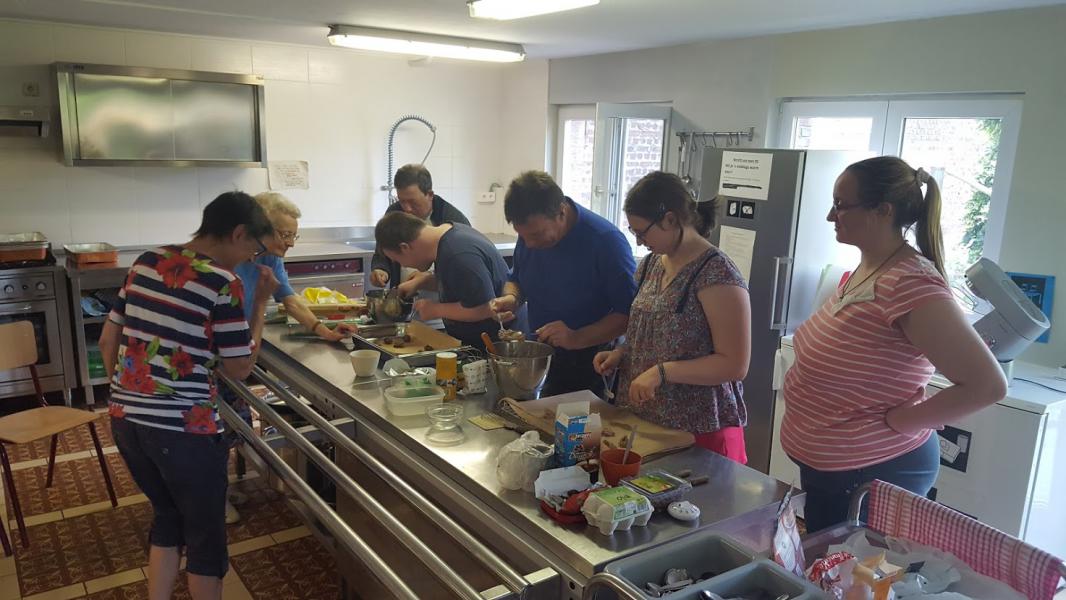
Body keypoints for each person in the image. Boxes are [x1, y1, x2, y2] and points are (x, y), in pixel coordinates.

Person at [780, 156, 1007, 532]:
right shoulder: (866, 270)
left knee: (852, 582)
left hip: (871, 473)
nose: (830, 216)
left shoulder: (910, 282)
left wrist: (904, 420)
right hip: (834, 470)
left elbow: (987, 385)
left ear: (882, 211)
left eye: (841, 205)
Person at [98, 191, 278, 600]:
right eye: (253, 249)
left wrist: (129, 396)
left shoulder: (146, 262)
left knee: (167, 518)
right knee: (205, 540)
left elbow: (109, 340)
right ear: (238, 233)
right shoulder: (221, 282)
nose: (251, 258)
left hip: (126, 421)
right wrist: (261, 305)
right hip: (186, 431)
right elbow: (239, 368)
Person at [593, 172, 751, 462]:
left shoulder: (717, 274)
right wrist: (623, 353)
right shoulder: (652, 264)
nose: (639, 242)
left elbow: (735, 365)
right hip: (648, 424)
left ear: (670, 219)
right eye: (633, 233)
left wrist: (662, 372)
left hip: (700, 431)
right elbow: (654, 330)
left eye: (643, 232)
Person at [492, 171, 637, 396]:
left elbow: (628, 315)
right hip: (541, 355)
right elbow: (516, 279)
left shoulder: (605, 242)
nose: (529, 244)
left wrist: (576, 338)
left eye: (537, 235)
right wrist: (511, 298)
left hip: (592, 364)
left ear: (561, 212)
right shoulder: (531, 232)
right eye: (523, 236)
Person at [374, 211, 527, 351]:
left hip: (500, 345)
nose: (403, 265)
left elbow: (486, 307)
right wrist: (422, 282)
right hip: (479, 341)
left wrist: (435, 309)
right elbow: (462, 285)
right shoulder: (448, 236)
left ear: (405, 247)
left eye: (398, 260)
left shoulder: (458, 254)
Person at [236, 192, 357, 342]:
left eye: (294, 236)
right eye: (286, 235)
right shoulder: (231, 261)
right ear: (262, 229)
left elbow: (291, 302)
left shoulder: (271, 257)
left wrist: (327, 333)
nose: (291, 243)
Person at [370, 164, 470, 289]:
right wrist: (381, 269)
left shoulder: (453, 221)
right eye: (401, 201)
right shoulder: (395, 213)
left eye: (412, 202)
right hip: (403, 294)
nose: (406, 209)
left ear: (430, 195)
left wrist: (426, 278)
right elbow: (384, 250)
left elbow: (460, 273)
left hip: (440, 298)